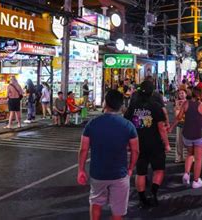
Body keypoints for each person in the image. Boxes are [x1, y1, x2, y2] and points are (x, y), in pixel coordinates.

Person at [77, 90, 139, 220]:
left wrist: (81, 170)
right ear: (121, 106)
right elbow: (135, 150)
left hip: (98, 174)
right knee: (117, 212)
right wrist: (130, 169)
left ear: (105, 103)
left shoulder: (92, 124)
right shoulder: (128, 126)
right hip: (120, 174)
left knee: (96, 203)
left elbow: (83, 149)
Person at [124, 80, 170, 208]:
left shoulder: (133, 106)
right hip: (155, 143)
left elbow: (126, 124)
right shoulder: (155, 106)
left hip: (138, 144)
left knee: (141, 172)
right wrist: (166, 144)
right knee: (159, 170)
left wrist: (127, 142)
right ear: (152, 92)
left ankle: (142, 198)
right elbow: (161, 128)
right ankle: (154, 192)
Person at [169, 86, 202, 189]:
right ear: (200, 94)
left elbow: (178, 118)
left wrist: (171, 128)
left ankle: (186, 174)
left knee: (189, 154)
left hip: (187, 134)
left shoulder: (185, 104)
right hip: (199, 135)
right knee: (198, 158)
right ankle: (196, 181)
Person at [174, 88, 188, 163]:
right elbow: (177, 115)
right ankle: (179, 157)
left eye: (183, 93)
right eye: (180, 93)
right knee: (179, 142)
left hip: (188, 124)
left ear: (186, 94)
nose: (181, 95)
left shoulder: (189, 102)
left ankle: (189, 157)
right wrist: (178, 106)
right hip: (180, 124)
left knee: (189, 142)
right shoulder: (177, 103)